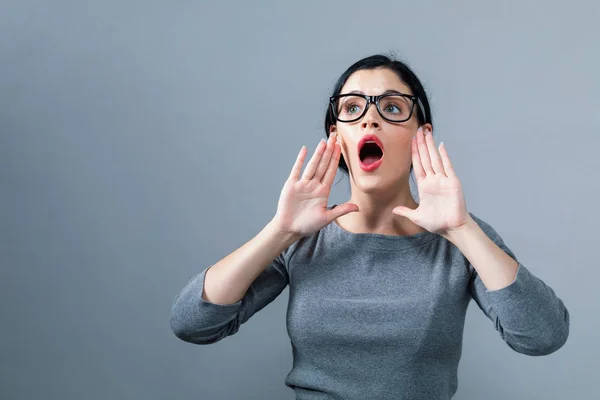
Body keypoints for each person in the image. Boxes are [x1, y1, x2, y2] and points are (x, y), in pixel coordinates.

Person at [169, 54, 570, 399]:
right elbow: (192, 323)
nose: (370, 120)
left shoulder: (458, 238)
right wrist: (281, 231)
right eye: (352, 109)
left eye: (392, 108)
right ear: (336, 136)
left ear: (421, 135)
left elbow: (542, 336)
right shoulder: (301, 238)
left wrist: (461, 228)